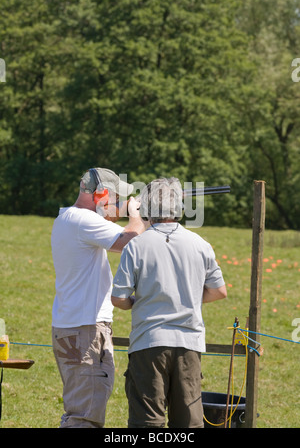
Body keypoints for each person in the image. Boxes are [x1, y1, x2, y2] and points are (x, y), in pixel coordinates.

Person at [111, 177, 227, 428]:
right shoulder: (201, 244)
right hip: (189, 343)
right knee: (188, 424)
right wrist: (185, 298)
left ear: (148, 209)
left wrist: (139, 301)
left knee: (147, 423)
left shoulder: (136, 246)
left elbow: (118, 299)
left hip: (148, 342)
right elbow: (219, 291)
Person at [51, 167, 146, 428]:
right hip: (85, 331)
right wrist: (136, 215)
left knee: (80, 411)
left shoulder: (69, 219)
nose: (117, 205)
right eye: (115, 199)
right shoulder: (83, 220)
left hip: (75, 328)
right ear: (101, 194)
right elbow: (129, 241)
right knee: (85, 418)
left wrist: (129, 212)